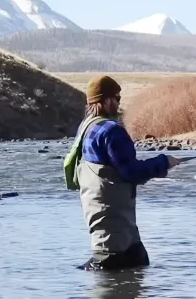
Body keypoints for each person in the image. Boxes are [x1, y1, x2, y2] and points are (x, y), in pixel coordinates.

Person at [75, 74, 180, 271]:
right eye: (117, 98)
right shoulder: (111, 132)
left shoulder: (85, 128)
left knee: (138, 260)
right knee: (119, 266)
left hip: (112, 222)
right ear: (105, 100)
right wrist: (163, 162)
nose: (119, 103)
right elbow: (132, 172)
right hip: (113, 228)